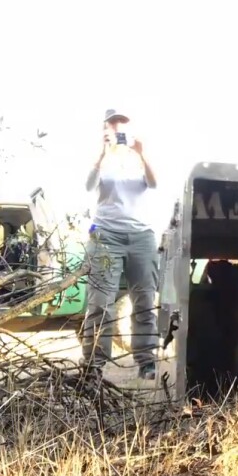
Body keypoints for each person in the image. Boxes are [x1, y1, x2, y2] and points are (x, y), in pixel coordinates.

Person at [79, 108, 160, 380]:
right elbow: (89, 186)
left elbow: (154, 183)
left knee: (144, 301)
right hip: (105, 238)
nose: (118, 128)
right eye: (113, 123)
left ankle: (147, 361)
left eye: (122, 123)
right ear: (105, 128)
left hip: (141, 238)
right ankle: (94, 364)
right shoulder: (101, 159)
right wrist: (101, 154)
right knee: (100, 303)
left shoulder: (139, 157)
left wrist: (142, 152)